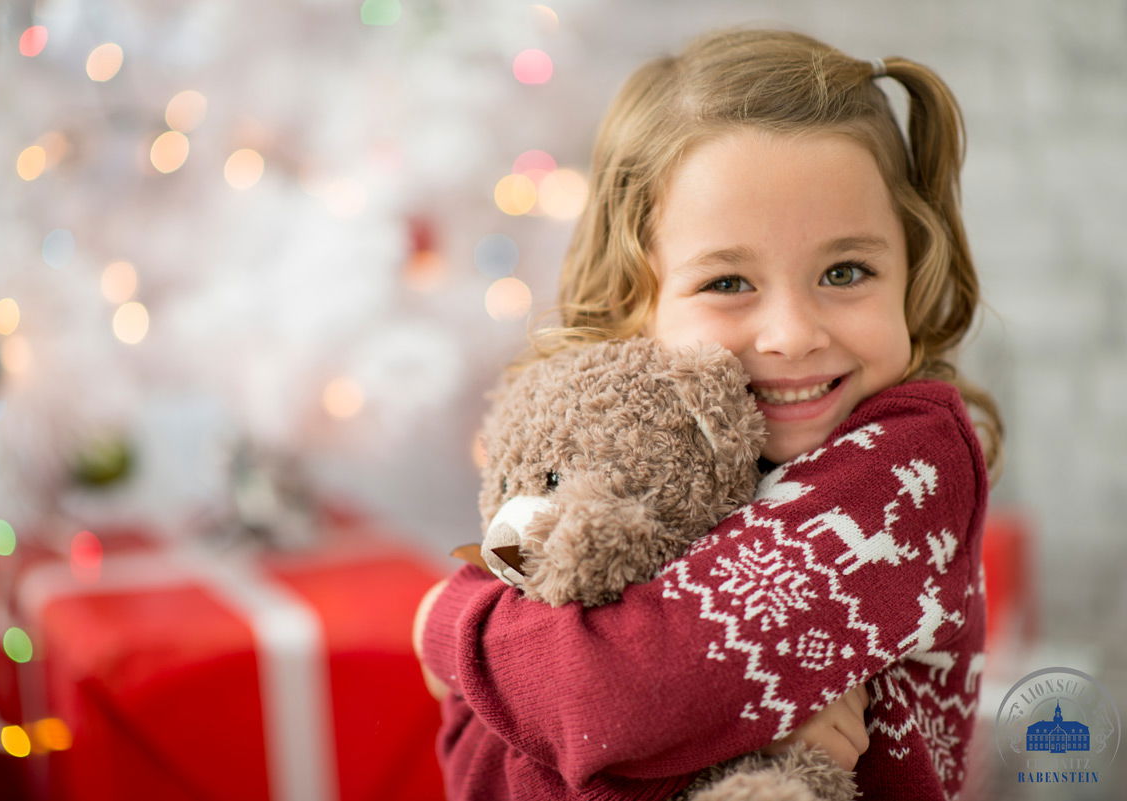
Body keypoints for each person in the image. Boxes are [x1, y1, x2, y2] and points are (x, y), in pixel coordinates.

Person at [414, 27, 1002, 801]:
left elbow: (619, 697)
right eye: (728, 282)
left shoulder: (909, 468)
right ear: (635, 293)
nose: (792, 333)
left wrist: (448, 622)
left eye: (845, 271)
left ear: (912, 269)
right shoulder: (609, 437)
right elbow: (479, 747)